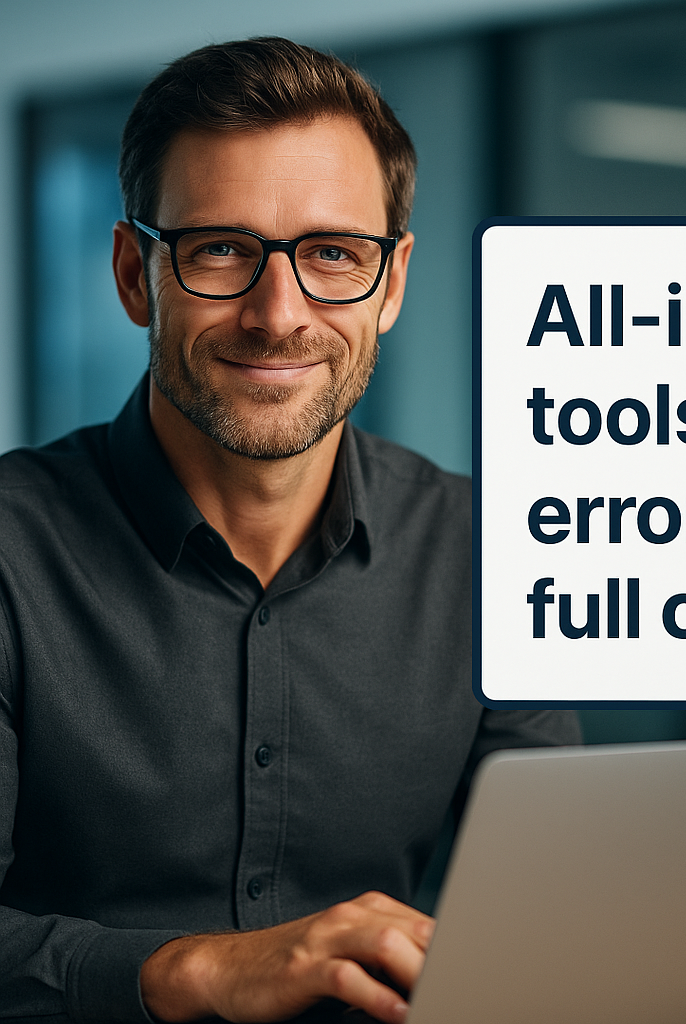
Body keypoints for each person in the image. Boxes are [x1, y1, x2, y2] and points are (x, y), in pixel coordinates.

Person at [0, 37, 579, 1024]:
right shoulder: (13, 552)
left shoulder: (493, 553)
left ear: (391, 285)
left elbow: (552, 902)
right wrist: (200, 972)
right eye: (220, 250)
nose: (279, 315)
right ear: (136, 275)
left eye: (334, 255)